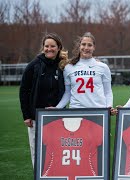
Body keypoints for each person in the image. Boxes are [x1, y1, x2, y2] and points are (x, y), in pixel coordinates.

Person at [19, 33, 67, 168]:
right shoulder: (33, 65)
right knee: (37, 151)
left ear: (58, 48)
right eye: (46, 46)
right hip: (36, 117)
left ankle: (56, 175)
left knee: (57, 149)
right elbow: (23, 91)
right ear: (43, 47)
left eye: (52, 46)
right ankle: (38, 175)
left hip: (57, 117)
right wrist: (26, 115)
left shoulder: (63, 66)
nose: (49, 49)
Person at [55, 32, 113, 109]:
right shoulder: (69, 68)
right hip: (76, 111)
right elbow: (67, 93)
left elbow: (108, 92)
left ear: (94, 47)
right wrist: (57, 108)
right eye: (83, 44)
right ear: (79, 46)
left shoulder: (103, 67)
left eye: (89, 45)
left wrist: (109, 107)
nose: (86, 48)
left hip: (98, 111)